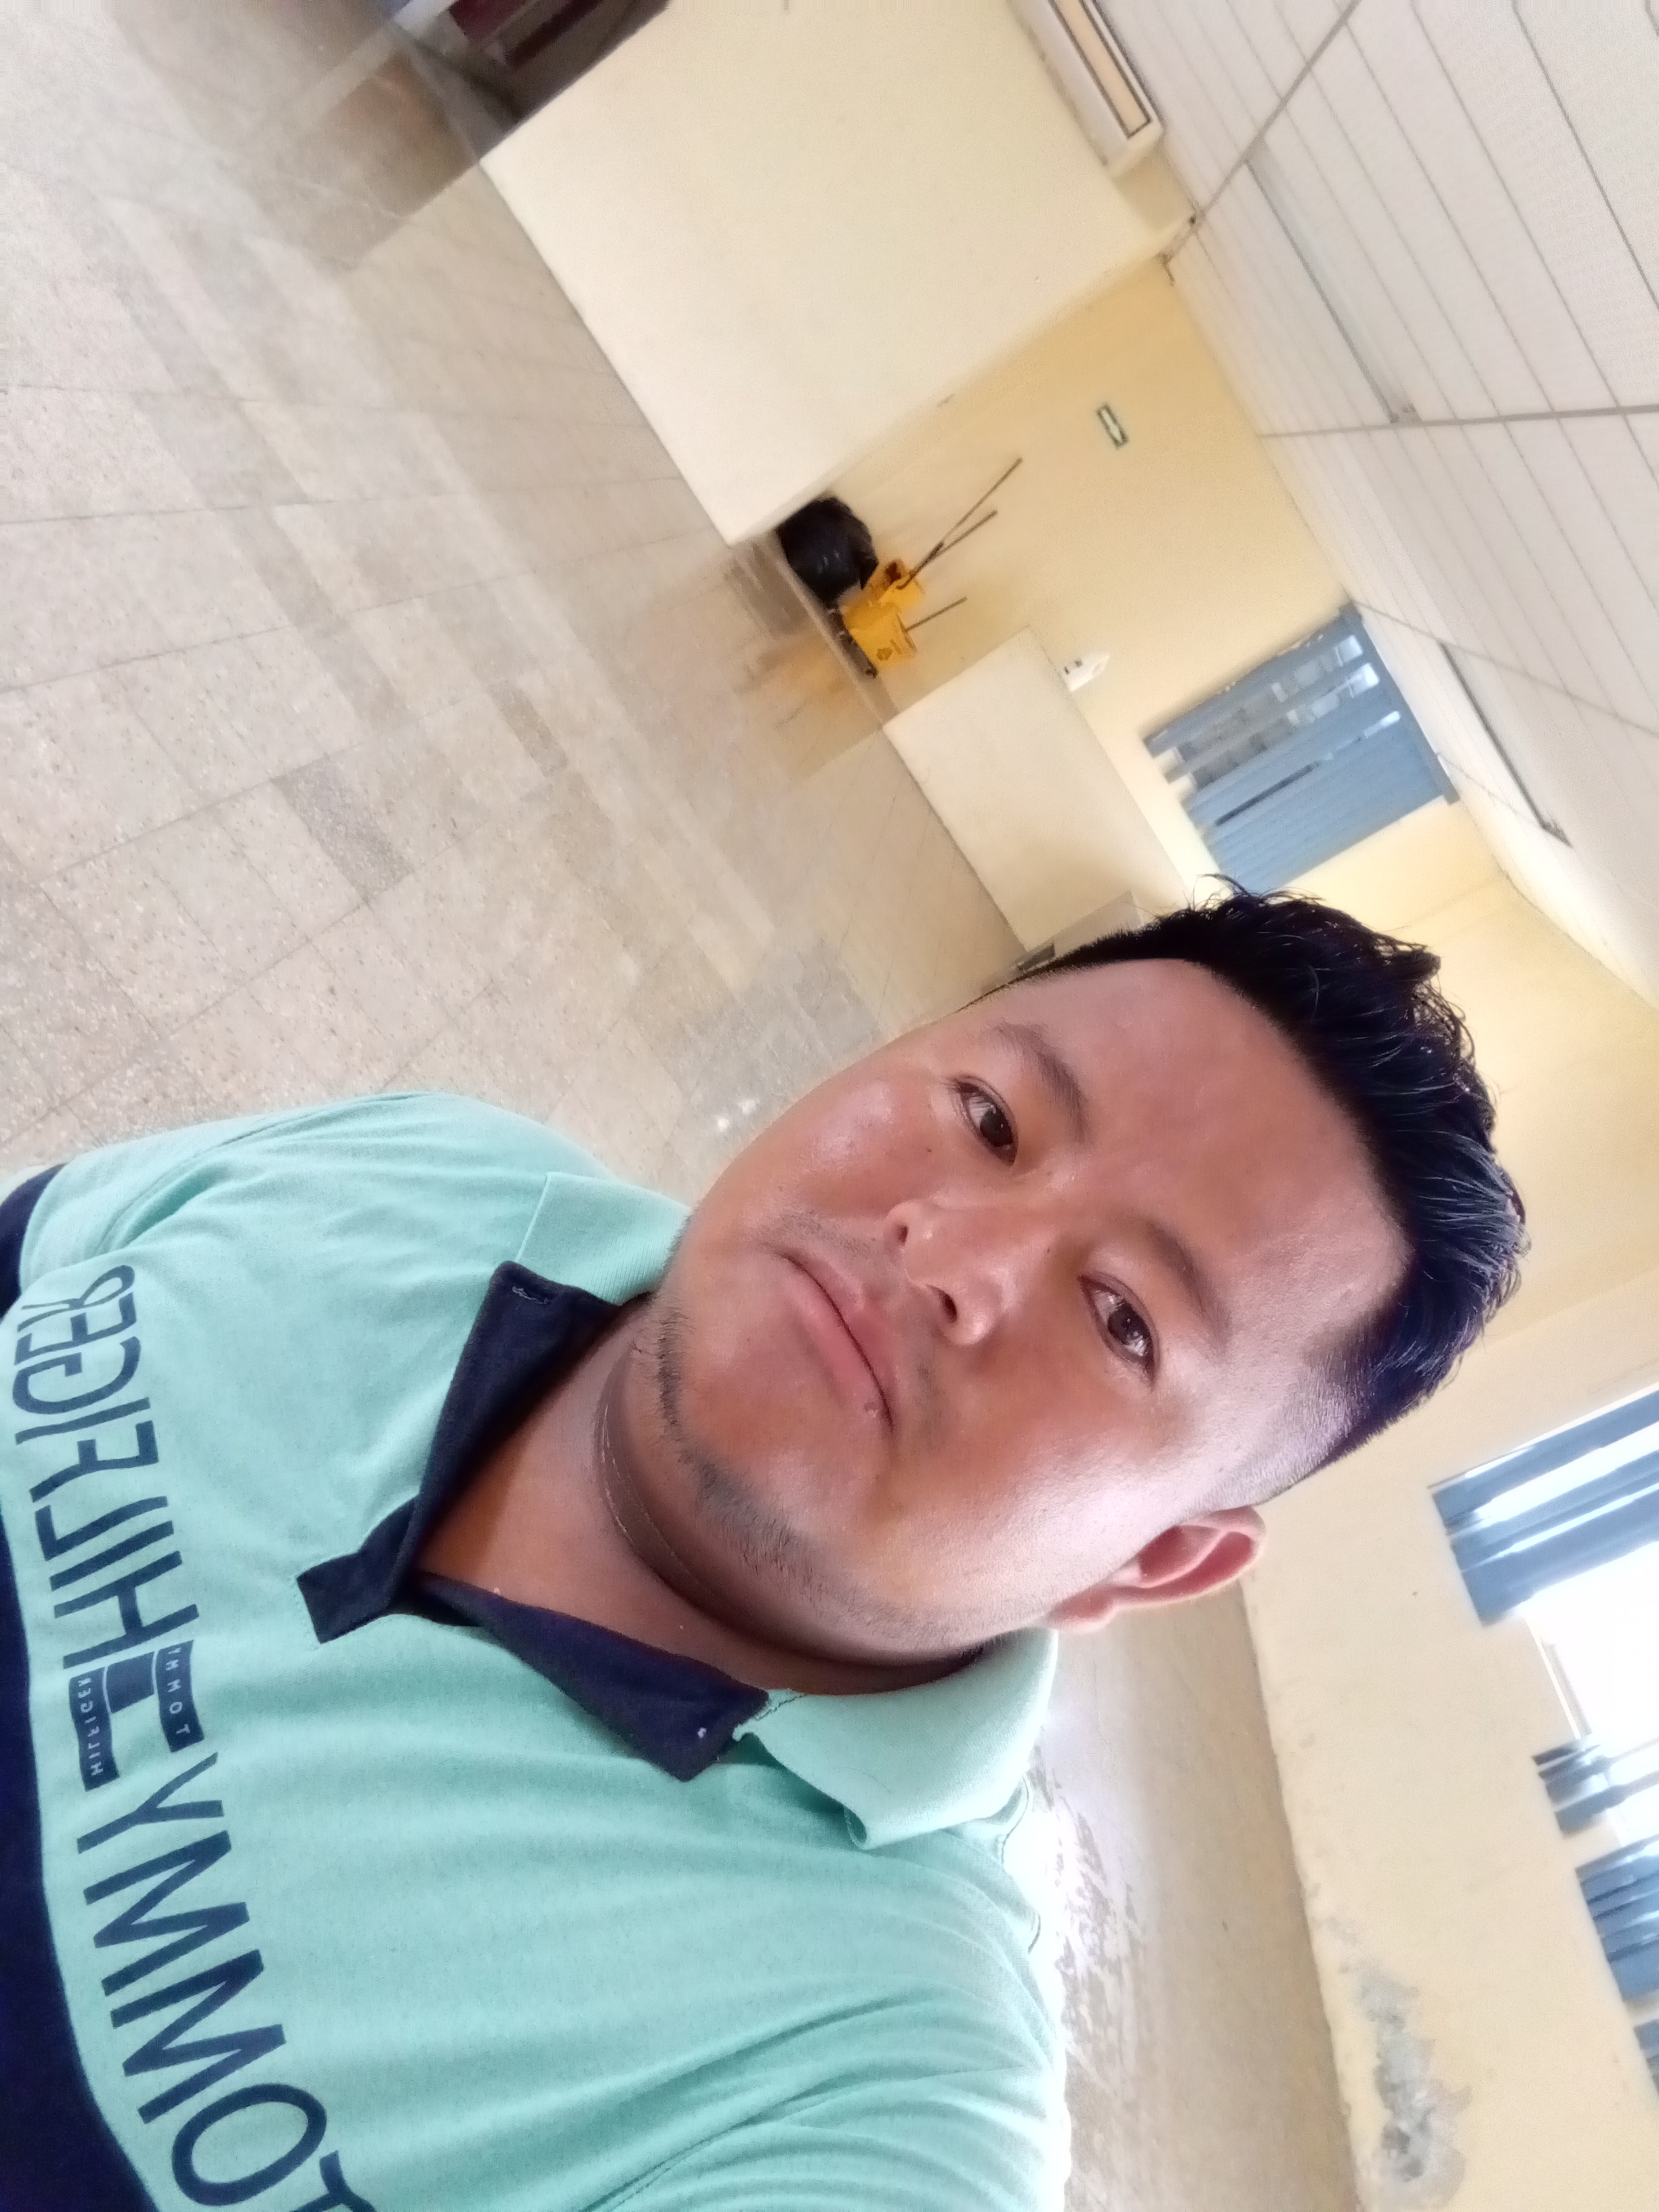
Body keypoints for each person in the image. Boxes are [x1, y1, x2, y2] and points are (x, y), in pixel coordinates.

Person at [1, 890, 1523, 2212]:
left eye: (1123, 1318)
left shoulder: (870, 2102)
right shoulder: (407, 1174)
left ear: (1153, 1557)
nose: (950, 1254)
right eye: (991, 1119)